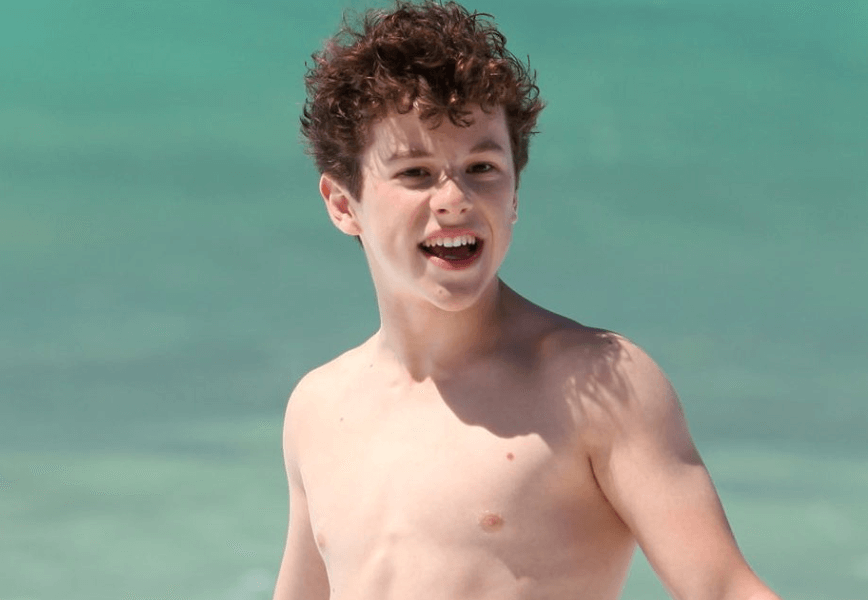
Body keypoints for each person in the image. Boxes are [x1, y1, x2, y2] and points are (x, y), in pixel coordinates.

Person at [273, 2, 782, 598]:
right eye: (415, 173)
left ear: (515, 191)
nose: (454, 199)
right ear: (342, 203)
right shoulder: (318, 408)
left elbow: (722, 586)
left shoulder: (594, 383)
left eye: (483, 166)